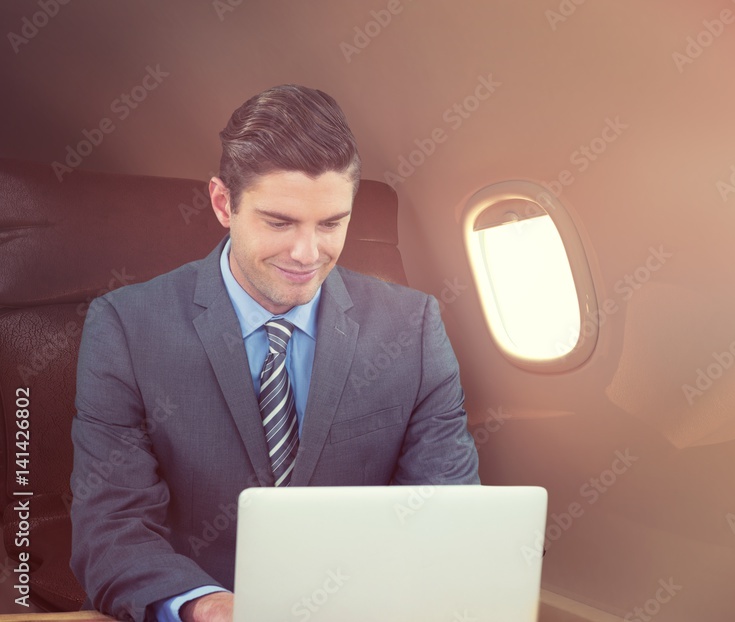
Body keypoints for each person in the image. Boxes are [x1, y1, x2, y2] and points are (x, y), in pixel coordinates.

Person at [69, 84, 480, 622]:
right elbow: (111, 528)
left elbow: (444, 512)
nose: (308, 254)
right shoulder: (125, 326)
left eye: (331, 223)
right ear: (223, 203)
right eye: (279, 222)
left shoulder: (415, 327)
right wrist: (208, 607)